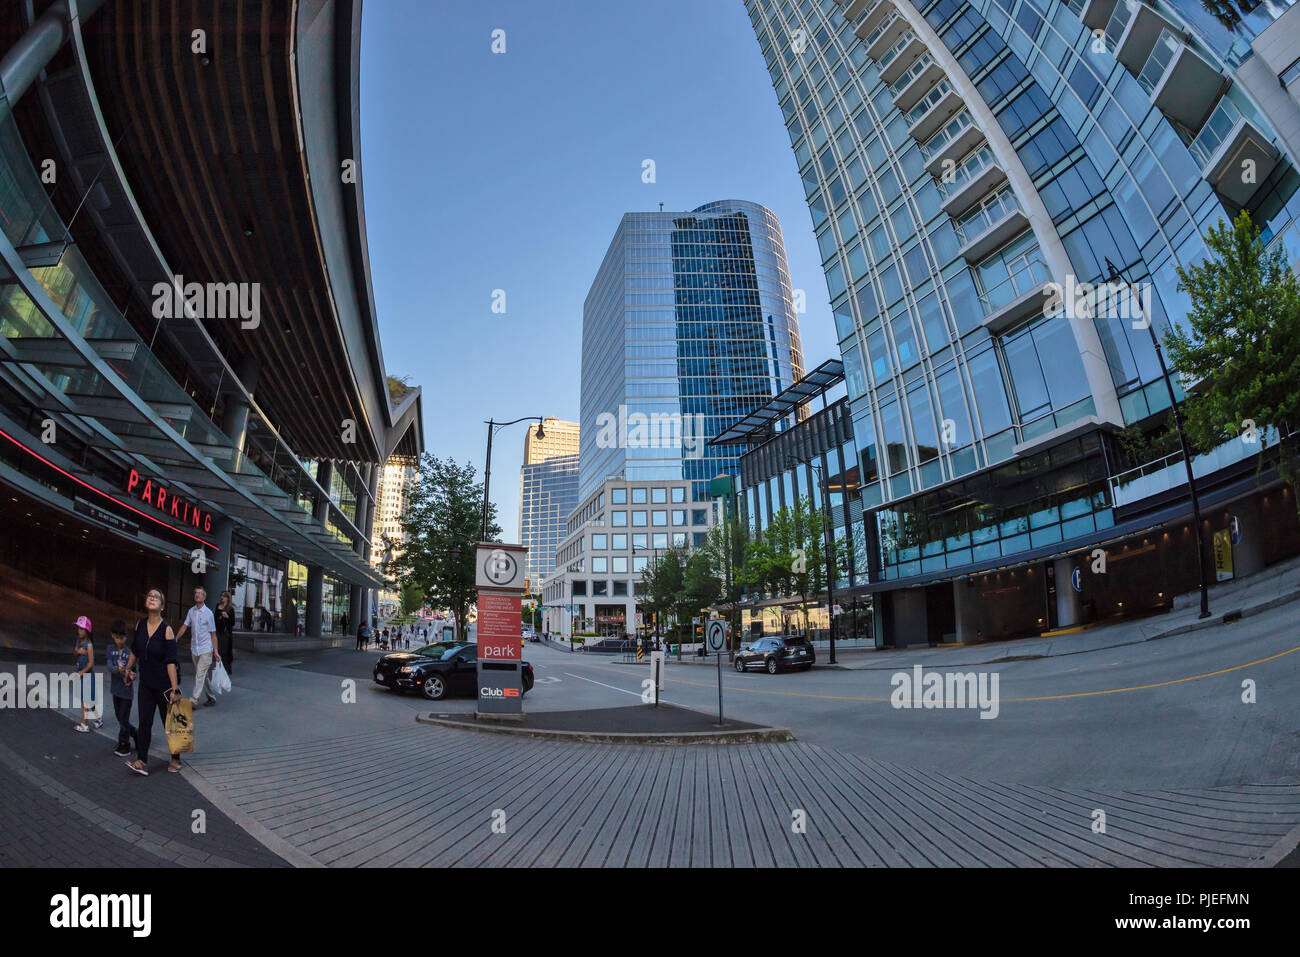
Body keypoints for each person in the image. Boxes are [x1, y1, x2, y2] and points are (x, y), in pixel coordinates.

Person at [124, 588, 183, 776]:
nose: (151, 598)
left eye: (156, 597)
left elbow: (171, 662)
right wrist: (128, 669)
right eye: (149, 595)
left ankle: (175, 758)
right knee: (144, 723)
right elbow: (135, 650)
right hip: (146, 685)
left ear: (162, 606)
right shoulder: (140, 624)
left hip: (164, 687)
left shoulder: (167, 630)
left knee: (170, 725)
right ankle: (142, 761)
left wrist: (175, 689)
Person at [174, 586, 220, 708]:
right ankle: (211, 697)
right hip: (195, 649)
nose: (197, 595)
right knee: (203, 676)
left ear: (204, 597)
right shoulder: (191, 611)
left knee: (199, 674)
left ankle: (193, 701)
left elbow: (213, 635)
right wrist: (176, 638)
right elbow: (184, 626)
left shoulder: (209, 614)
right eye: (196, 593)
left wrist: (215, 651)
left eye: (200, 593)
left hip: (206, 650)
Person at [106, 620, 136, 757]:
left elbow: (135, 670)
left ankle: (125, 744)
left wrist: (131, 674)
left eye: (122, 638)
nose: (119, 641)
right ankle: (136, 734)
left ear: (126, 637)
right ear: (113, 636)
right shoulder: (110, 650)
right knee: (120, 717)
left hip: (126, 692)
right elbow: (109, 666)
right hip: (116, 690)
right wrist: (117, 670)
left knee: (124, 719)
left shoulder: (130, 653)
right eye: (117, 637)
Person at [72, 615, 101, 732]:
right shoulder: (78, 641)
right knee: (88, 700)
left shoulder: (89, 645)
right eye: (78, 628)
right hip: (81, 674)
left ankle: (84, 724)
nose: (79, 631)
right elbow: (75, 652)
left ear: (87, 631)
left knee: (85, 700)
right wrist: (78, 651)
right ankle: (98, 719)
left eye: (82, 629)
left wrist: (81, 673)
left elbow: (91, 664)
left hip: (87, 676)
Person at [215, 590, 235, 678]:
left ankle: (226, 668)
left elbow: (232, 622)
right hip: (218, 631)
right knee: (218, 650)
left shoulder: (231, 609)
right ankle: (218, 668)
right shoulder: (217, 606)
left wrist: (227, 617)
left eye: (224, 596)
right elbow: (214, 618)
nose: (222, 598)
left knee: (224, 651)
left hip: (226, 633)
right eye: (222, 596)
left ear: (228, 598)